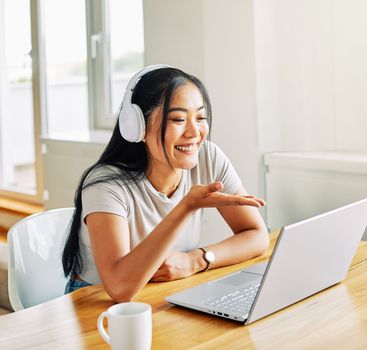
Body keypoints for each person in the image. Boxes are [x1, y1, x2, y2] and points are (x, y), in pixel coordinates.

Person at [62, 65, 269, 302]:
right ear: (136, 126)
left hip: (162, 293)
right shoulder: (105, 185)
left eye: (200, 117)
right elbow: (119, 287)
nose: (194, 132)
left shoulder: (208, 158)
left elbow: (256, 235)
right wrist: (186, 207)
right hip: (96, 302)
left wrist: (196, 260)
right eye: (178, 119)